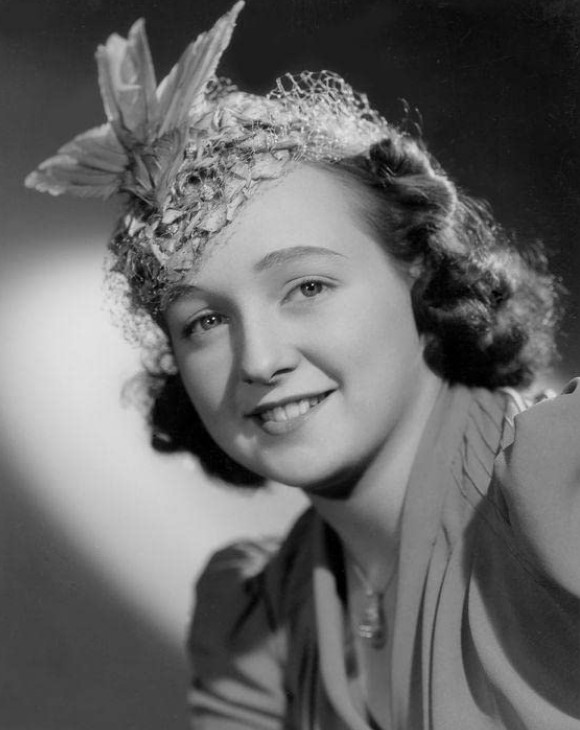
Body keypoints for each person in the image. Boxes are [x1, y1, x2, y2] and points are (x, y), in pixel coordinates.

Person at [25, 3, 580, 729]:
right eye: (205, 323)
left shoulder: (557, 477)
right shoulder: (255, 622)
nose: (259, 360)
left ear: (418, 272)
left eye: (307, 288)